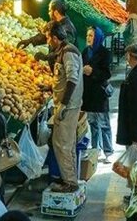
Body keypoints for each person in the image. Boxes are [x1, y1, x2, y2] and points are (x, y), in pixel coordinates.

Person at [47, 23, 84, 193]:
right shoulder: (62, 51)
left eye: (48, 38)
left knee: (62, 144)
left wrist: (63, 104)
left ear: (55, 38)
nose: (48, 41)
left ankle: (70, 182)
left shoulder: (69, 53)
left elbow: (72, 79)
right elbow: (62, 78)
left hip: (68, 107)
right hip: (67, 105)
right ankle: (70, 178)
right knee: (65, 144)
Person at [81, 26, 113, 163]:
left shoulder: (105, 53)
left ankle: (108, 151)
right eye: (87, 35)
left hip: (99, 94)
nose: (88, 38)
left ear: (98, 37)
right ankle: (95, 149)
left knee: (104, 123)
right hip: (88, 94)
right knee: (92, 124)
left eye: (91, 36)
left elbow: (107, 74)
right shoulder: (85, 52)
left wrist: (92, 72)